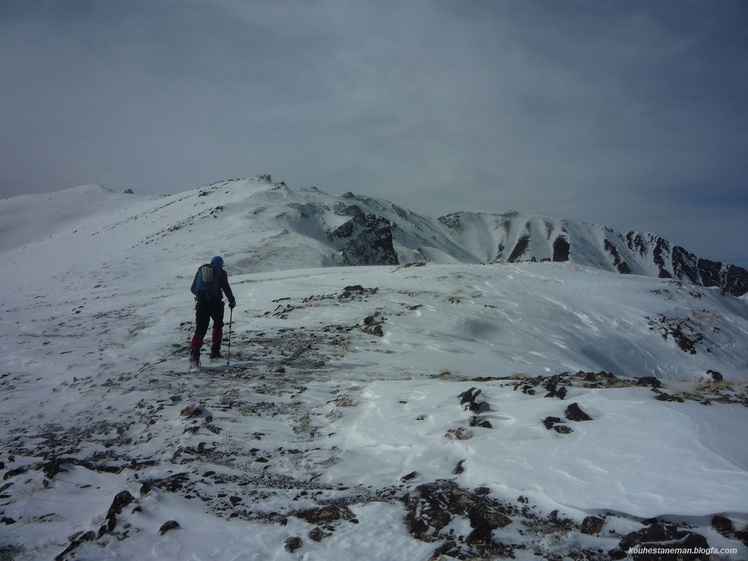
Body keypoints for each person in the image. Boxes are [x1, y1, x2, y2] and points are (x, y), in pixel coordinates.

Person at [189, 256, 236, 365]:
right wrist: (232, 301)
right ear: (221, 264)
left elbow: (192, 289)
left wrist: (202, 295)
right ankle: (215, 351)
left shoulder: (201, 269)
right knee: (218, 325)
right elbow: (226, 288)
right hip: (216, 304)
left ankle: (194, 353)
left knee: (200, 329)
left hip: (201, 304)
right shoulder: (221, 272)